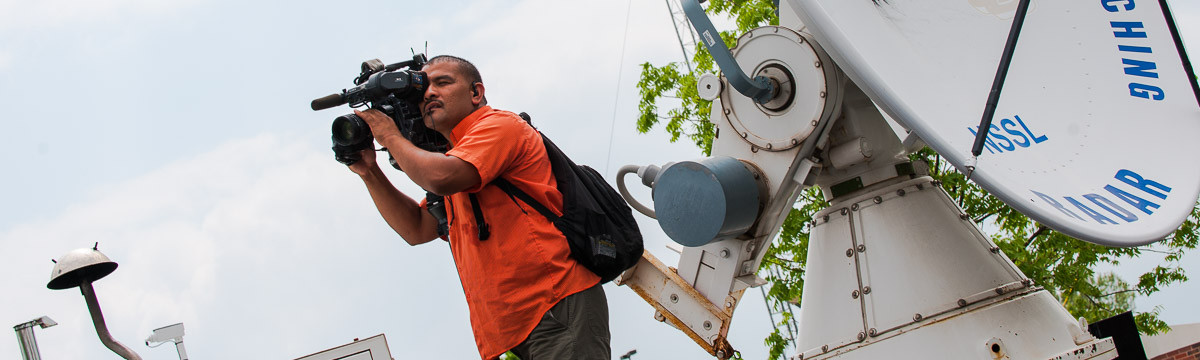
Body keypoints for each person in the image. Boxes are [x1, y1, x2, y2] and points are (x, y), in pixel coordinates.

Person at [344, 55, 610, 360]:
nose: (429, 93)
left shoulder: (498, 125)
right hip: (511, 328)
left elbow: (441, 177)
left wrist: (390, 136)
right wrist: (369, 171)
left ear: (476, 93)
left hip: (555, 308)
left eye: (443, 83)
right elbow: (417, 228)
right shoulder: (454, 157)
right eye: (423, 90)